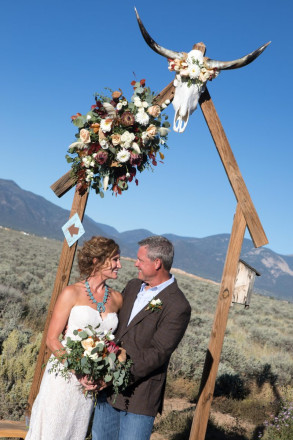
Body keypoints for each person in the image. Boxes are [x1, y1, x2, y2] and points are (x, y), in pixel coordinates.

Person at [92, 235, 191, 440]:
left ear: (157, 263)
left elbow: (158, 353)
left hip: (139, 396)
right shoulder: (133, 285)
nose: (135, 263)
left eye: (140, 260)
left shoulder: (177, 305)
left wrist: (114, 377)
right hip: (107, 392)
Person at [26, 236, 125, 440]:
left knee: (75, 433)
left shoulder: (117, 299)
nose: (119, 265)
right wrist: (78, 370)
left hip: (89, 385)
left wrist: (101, 372)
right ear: (97, 260)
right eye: (115, 259)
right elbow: (52, 339)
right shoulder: (71, 293)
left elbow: (114, 343)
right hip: (63, 378)